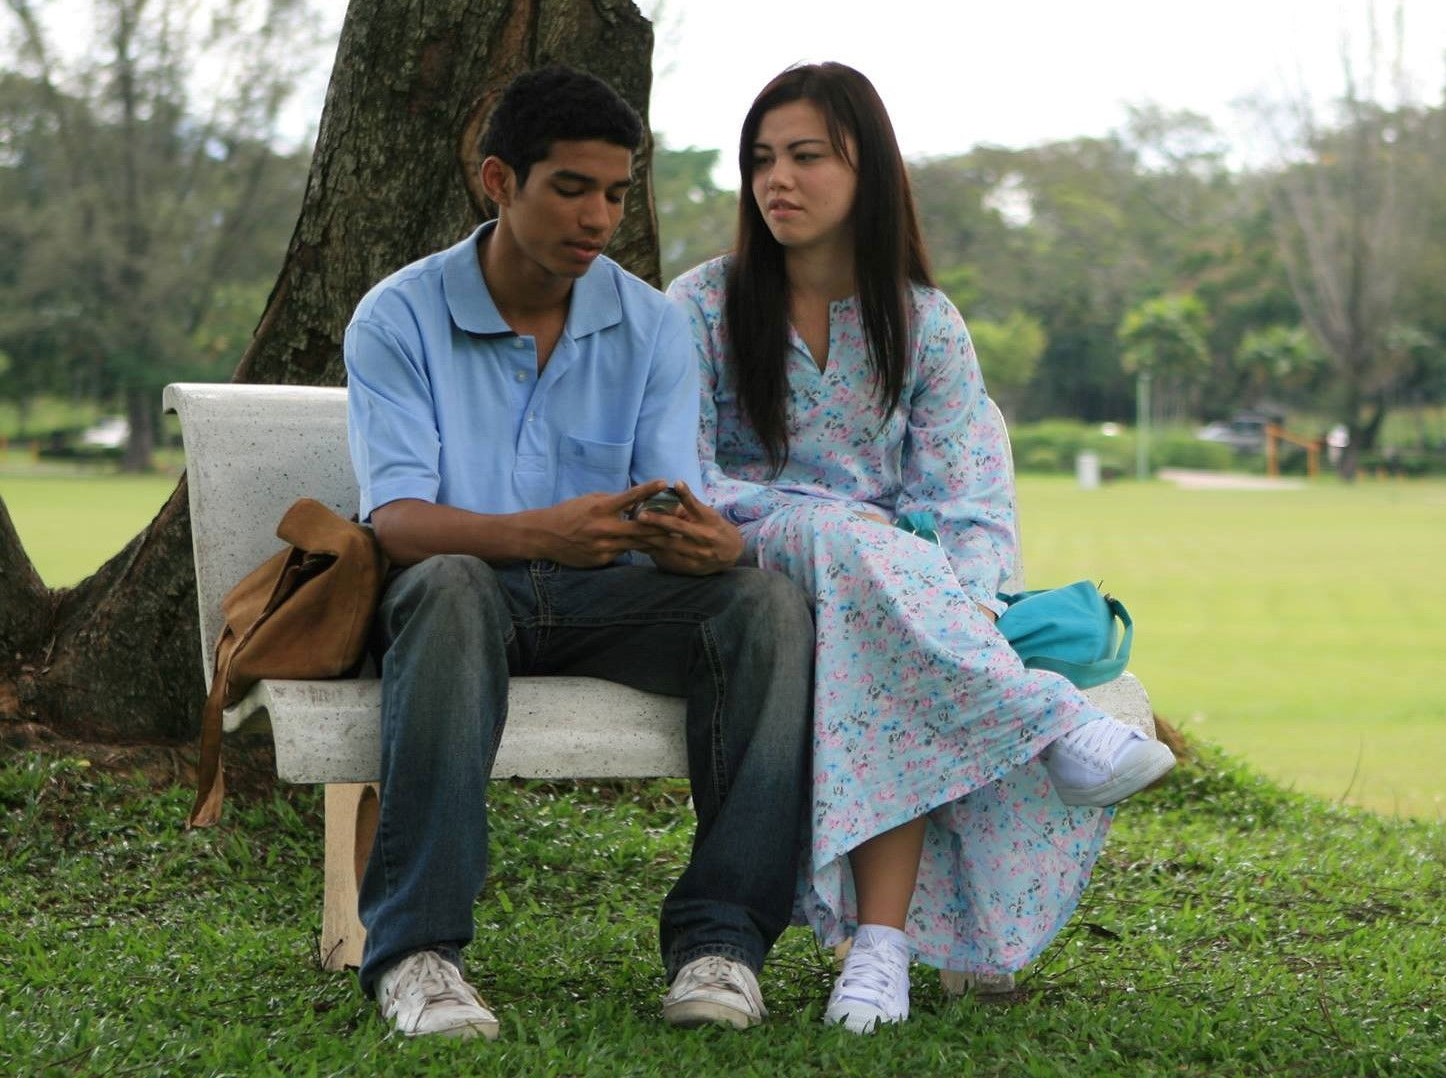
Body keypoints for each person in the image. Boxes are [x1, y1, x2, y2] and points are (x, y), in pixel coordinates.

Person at [665, 62, 1175, 1034]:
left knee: (882, 627)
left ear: (869, 171)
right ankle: (1051, 725)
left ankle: (880, 951)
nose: (777, 179)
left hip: (896, 598)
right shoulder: (697, 307)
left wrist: (957, 604)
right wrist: (850, 530)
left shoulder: (925, 324)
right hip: (744, 566)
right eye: (761, 159)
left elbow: (970, 503)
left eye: (805, 156)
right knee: (843, 539)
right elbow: (681, 478)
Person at [342, 65, 813, 1040]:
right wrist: (540, 533)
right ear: (499, 181)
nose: (598, 216)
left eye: (615, 192)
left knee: (765, 605)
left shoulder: (650, 325)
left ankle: (721, 948)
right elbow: (398, 523)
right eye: (570, 188)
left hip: (611, 602)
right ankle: (418, 956)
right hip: (457, 608)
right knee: (449, 584)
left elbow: (665, 496)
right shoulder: (400, 316)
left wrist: (709, 544)